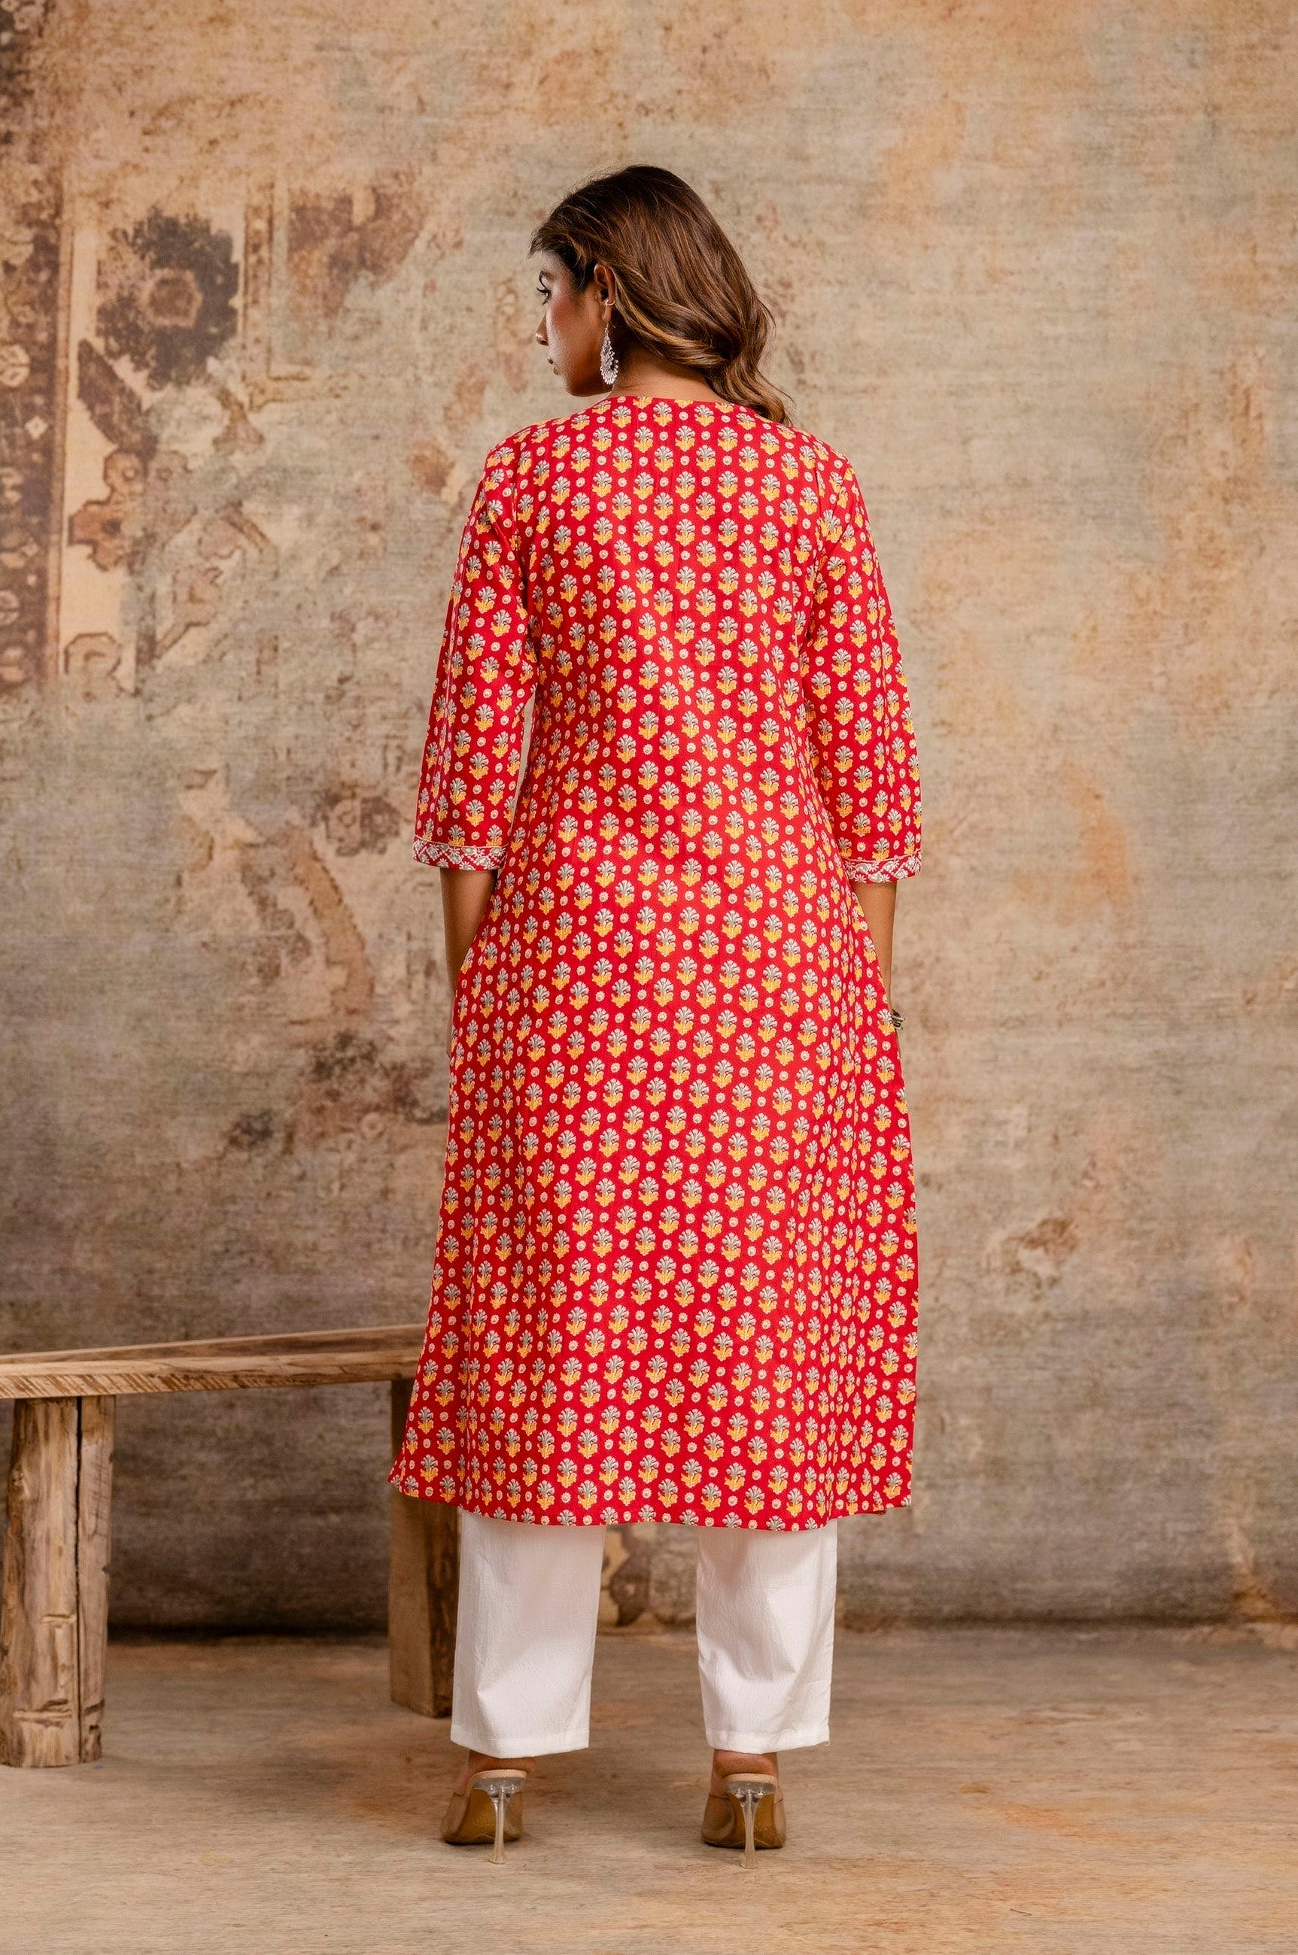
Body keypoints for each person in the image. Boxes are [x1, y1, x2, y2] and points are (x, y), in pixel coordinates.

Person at [388, 164, 924, 1861]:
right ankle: (748, 1763)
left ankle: (499, 1757)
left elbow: (474, 780)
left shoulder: (535, 477)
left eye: (545, 290)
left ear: (606, 291)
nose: (539, 325)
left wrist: (487, 992)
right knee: (766, 1348)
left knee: (552, 1346)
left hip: (575, 964)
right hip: (780, 971)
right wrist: (851, 1000)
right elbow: (875, 789)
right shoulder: (811, 485)